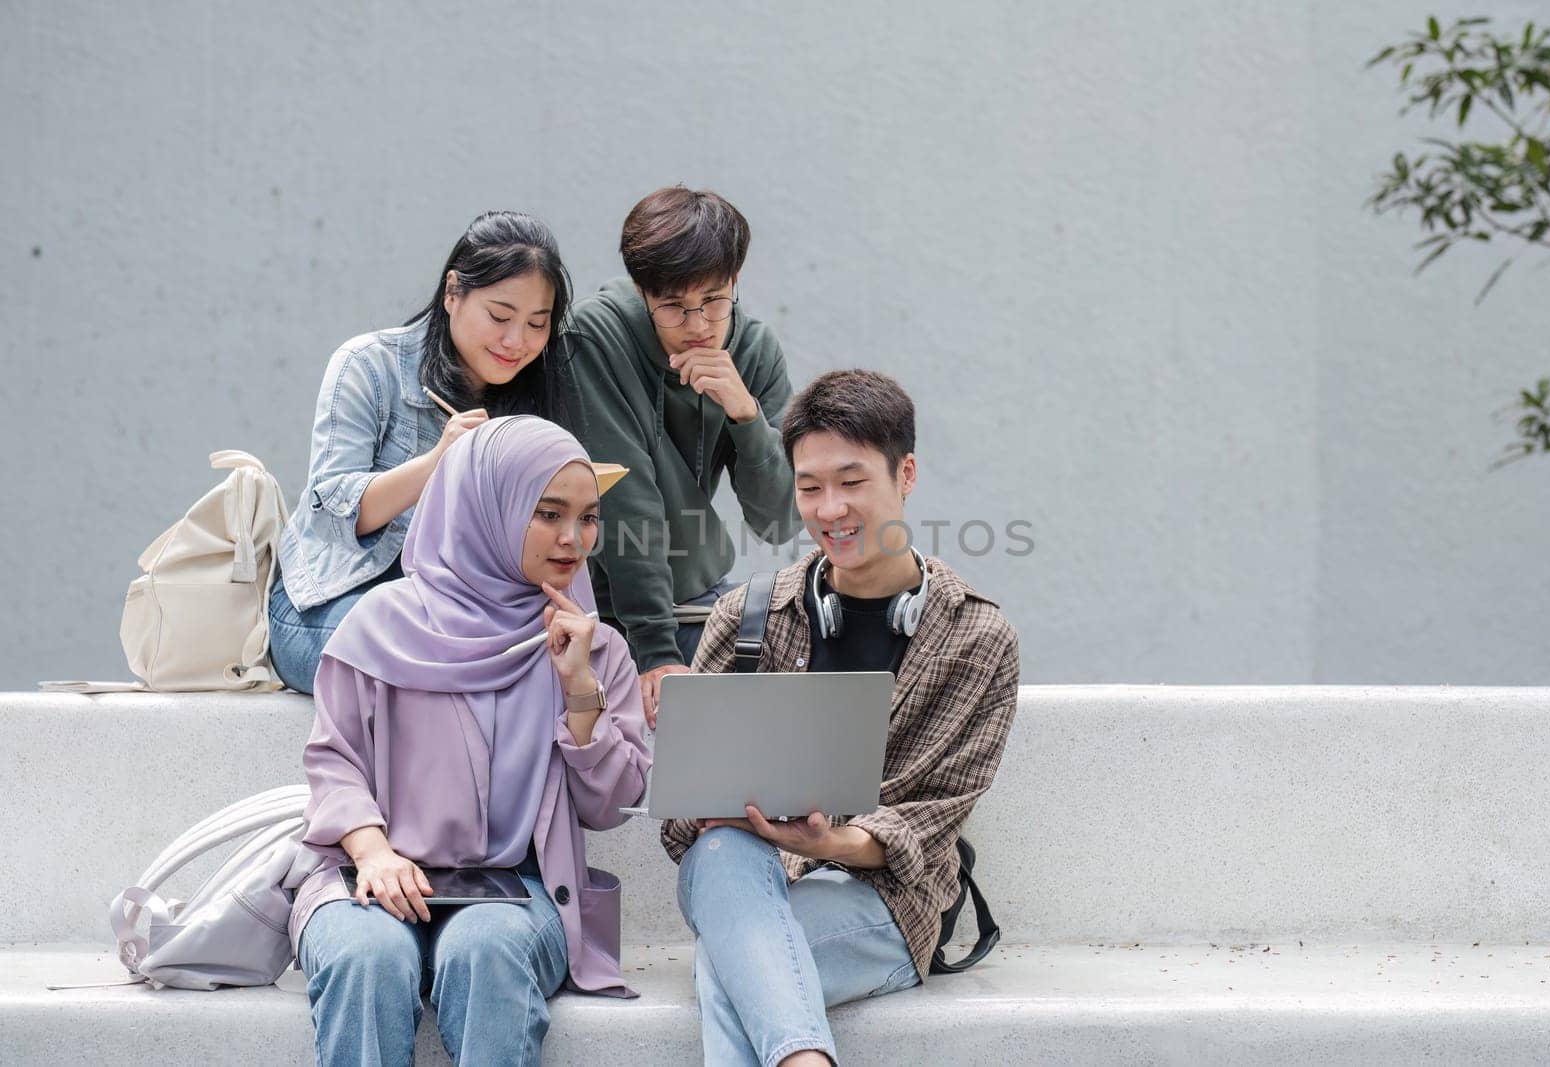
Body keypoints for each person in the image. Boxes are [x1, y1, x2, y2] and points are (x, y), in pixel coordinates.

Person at [661, 370, 1020, 1066]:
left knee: (729, 966)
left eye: (852, 481)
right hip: (747, 876)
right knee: (721, 853)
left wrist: (829, 843)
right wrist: (730, 811)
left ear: (905, 472)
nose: (830, 508)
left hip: (886, 903)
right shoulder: (745, 620)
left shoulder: (978, 639)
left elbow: (929, 819)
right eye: (810, 487)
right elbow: (679, 822)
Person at [290, 416, 651, 1066]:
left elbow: (611, 804)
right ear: (486, 506)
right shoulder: (382, 624)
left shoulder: (593, 647)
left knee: (486, 949)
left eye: (588, 517)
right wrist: (374, 854)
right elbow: (333, 759)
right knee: (367, 956)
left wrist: (579, 689)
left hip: (515, 887)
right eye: (548, 513)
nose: (573, 538)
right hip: (366, 873)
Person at [271, 211, 577, 693]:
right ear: (453, 292)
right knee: (428, 656)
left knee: (565, 653)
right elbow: (330, 511)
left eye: (536, 324)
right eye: (499, 316)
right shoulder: (368, 366)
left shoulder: (541, 392)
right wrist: (438, 462)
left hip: (461, 611)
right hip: (338, 601)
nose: (516, 341)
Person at [562, 186, 800, 721]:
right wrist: (657, 651)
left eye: (714, 300)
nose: (697, 325)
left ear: (736, 280)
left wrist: (745, 418)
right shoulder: (594, 338)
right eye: (672, 306)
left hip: (698, 597)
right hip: (604, 605)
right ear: (643, 292)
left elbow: (782, 519)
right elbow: (625, 494)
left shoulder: (755, 350)